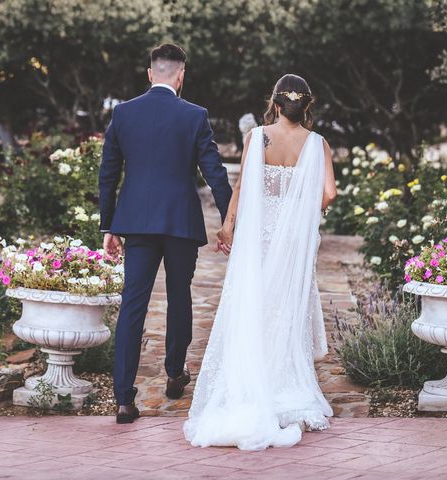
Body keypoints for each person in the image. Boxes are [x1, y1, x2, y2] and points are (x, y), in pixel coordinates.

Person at [184, 74, 338, 450]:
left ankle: (250, 382)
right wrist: (299, 212)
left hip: (260, 234)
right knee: (286, 304)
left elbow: (241, 187)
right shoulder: (317, 144)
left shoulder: (257, 138)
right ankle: (284, 382)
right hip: (294, 240)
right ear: (306, 105)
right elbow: (329, 194)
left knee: (253, 302)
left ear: (274, 102)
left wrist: (227, 227)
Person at [98, 43, 232, 424]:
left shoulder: (123, 113)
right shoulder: (194, 115)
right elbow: (215, 173)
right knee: (179, 296)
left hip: (136, 224)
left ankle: (124, 398)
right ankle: (175, 373)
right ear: (181, 75)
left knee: (132, 305)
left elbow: (108, 173)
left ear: (150, 73)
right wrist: (229, 223)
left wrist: (109, 225)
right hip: (179, 224)